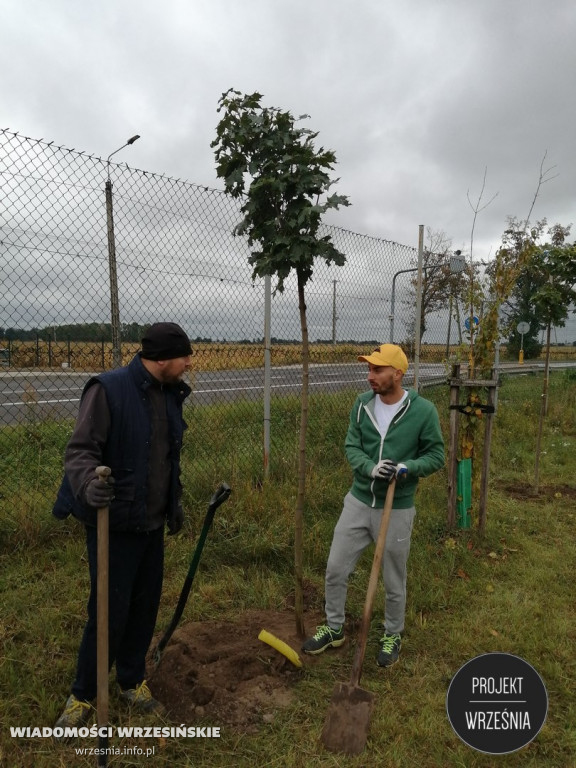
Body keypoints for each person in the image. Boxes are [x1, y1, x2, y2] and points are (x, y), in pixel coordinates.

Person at [52, 322, 193, 727]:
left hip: (149, 523)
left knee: (145, 607)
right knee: (109, 610)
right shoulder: (108, 390)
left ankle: (132, 679)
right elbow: (80, 451)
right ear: (162, 358)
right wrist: (85, 486)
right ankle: (82, 694)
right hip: (111, 525)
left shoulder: (168, 395)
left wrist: (173, 502)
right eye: (184, 356)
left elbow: (165, 457)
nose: (188, 364)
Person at [302, 344, 444, 667]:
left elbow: (435, 455)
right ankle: (334, 627)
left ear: (397, 373)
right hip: (359, 500)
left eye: (377, 370)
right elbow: (351, 445)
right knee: (336, 567)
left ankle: (392, 633)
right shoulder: (362, 405)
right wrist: (369, 468)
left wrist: (407, 468)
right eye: (369, 369)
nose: (370, 377)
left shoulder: (423, 412)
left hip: (398, 507)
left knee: (394, 578)